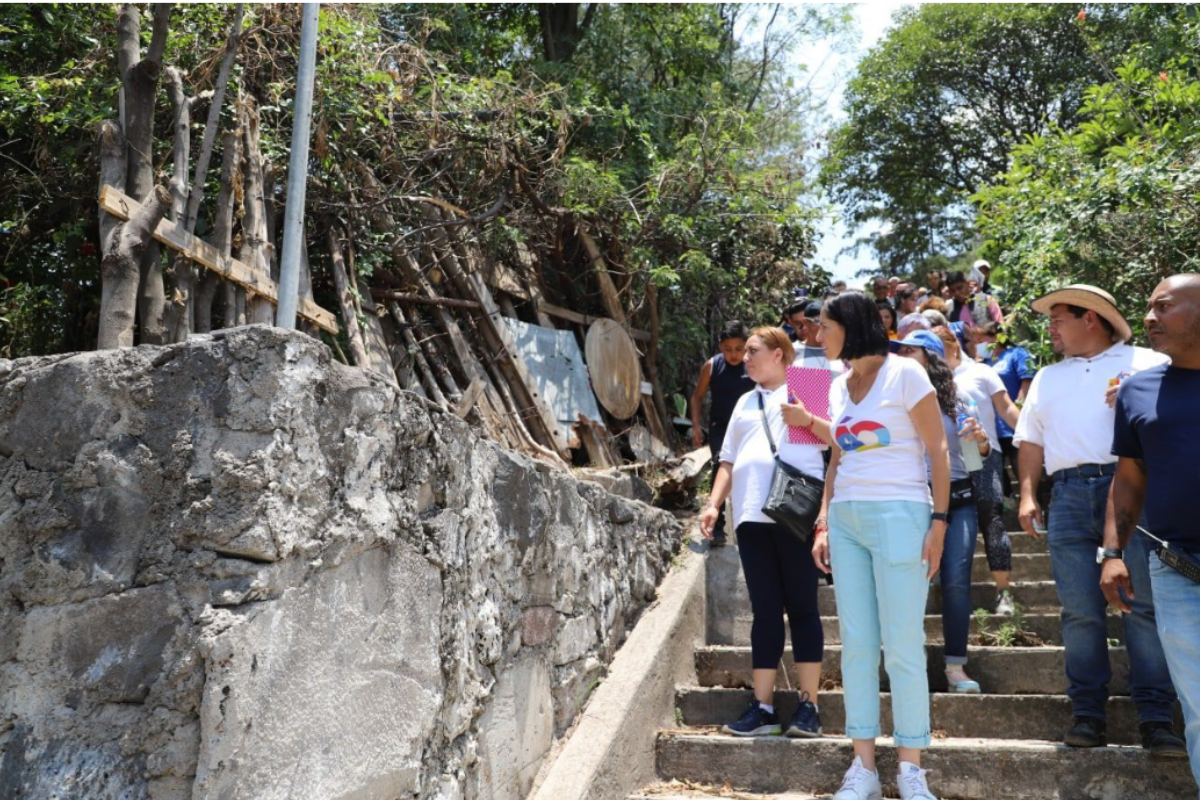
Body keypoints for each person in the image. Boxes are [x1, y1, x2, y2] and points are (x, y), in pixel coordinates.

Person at [1014, 284, 1185, 756]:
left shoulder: (1149, 363)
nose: (1051, 326)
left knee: (1143, 607)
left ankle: (1156, 719)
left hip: (1133, 487)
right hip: (1067, 493)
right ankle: (1087, 715)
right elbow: (1030, 439)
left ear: (1091, 318)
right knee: (1077, 611)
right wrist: (1029, 494)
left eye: (1058, 317)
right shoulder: (1047, 377)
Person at [810, 292, 951, 800]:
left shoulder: (905, 373)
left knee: (903, 644)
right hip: (847, 518)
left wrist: (939, 521)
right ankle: (863, 769)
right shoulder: (834, 386)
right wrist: (824, 520)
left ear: (849, 325)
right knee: (858, 647)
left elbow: (937, 448)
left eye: (824, 326)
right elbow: (836, 457)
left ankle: (910, 768)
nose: (817, 335)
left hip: (902, 513)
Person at [699, 327, 827, 738]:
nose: (746, 359)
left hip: (795, 515)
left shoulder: (807, 384)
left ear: (779, 353)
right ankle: (764, 707)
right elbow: (728, 461)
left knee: (804, 608)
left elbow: (833, 446)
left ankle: (809, 707)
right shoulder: (744, 400)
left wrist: (806, 417)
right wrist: (713, 503)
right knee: (765, 611)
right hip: (750, 516)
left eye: (753, 352)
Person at [1103, 274, 1200, 788]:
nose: (1148, 318)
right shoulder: (1138, 389)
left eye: (1163, 306)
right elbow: (1129, 477)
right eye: (1147, 308)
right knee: (1199, 705)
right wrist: (1112, 551)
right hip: (1177, 569)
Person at [893, 330, 990, 694]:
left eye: (909, 350)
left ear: (930, 357)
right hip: (911, 500)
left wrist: (980, 443)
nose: (901, 354)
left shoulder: (959, 400)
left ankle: (955, 668)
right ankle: (906, 666)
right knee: (906, 584)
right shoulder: (894, 398)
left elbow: (972, 463)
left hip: (959, 501)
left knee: (955, 582)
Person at [932, 326, 1022, 615]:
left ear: (954, 347)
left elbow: (1005, 408)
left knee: (991, 517)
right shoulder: (925, 380)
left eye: (938, 350)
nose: (933, 357)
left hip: (983, 454)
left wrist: (1032, 434)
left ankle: (1003, 591)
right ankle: (940, 584)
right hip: (944, 460)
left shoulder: (981, 373)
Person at [690, 321, 754, 546]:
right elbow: (697, 396)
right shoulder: (712, 366)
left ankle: (748, 524)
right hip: (721, 428)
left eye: (739, 349)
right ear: (720, 346)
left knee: (746, 472)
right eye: (728, 349)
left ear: (747, 346)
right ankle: (717, 527)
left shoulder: (753, 365)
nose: (734, 355)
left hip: (749, 428)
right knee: (721, 467)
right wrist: (696, 426)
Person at [977, 322, 1035, 497]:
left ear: (996, 338)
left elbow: (1027, 381)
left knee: (1024, 472)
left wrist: (1019, 407)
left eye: (982, 339)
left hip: (1014, 425)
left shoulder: (1016, 354)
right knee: (999, 476)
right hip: (993, 429)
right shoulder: (984, 363)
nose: (978, 344)